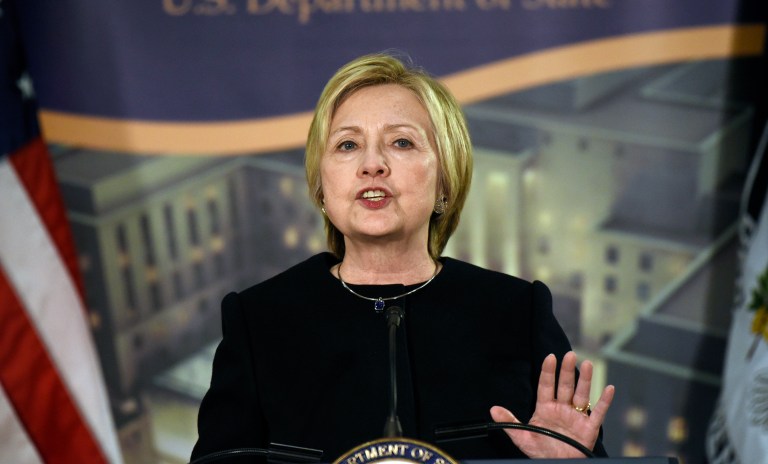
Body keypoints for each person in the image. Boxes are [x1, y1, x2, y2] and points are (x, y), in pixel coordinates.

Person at [191, 52, 615, 463]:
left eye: (401, 142)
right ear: (321, 186)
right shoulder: (261, 318)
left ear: (445, 180)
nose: (372, 165)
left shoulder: (517, 311)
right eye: (347, 145)